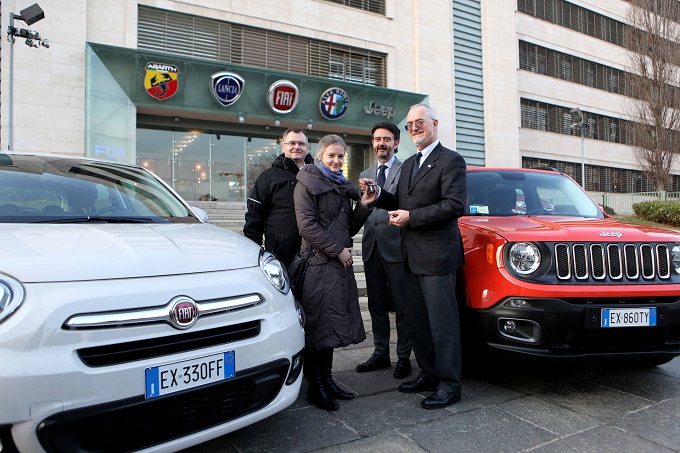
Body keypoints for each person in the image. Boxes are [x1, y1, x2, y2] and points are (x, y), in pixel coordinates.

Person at [360, 103, 467, 410]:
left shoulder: (451, 160)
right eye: (409, 125)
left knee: (442, 325)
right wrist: (378, 197)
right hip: (409, 256)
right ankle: (428, 373)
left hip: (436, 257)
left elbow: (454, 206)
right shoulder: (408, 164)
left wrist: (411, 218)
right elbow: (400, 201)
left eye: (420, 122)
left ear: (434, 123)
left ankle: (450, 384)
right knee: (418, 322)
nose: (414, 128)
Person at [294, 134, 373, 411]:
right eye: (332, 156)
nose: (337, 161)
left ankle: (327, 380)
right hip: (319, 266)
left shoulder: (339, 186)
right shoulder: (306, 183)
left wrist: (364, 204)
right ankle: (316, 387)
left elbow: (348, 228)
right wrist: (337, 250)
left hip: (337, 267)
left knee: (329, 329)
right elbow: (307, 227)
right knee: (318, 329)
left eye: (341, 156)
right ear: (320, 157)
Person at [355, 122, 412, 379]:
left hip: (397, 248)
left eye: (387, 139)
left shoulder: (407, 170)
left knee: (402, 306)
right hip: (371, 248)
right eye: (377, 139)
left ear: (396, 143)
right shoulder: (365, 172)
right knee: (376, 305)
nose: (381, 143)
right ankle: (380, 354)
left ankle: (403, 357)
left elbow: (403, 203)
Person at [243, 128, 314, 267]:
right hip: (281, 256)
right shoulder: (268, 177)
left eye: (301, 143)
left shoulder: (317, 176)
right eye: (292, 143)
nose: (296, 147)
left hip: (314, 255)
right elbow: (254, 218)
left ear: (307, 147)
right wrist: (254, 253)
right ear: (283, 147)